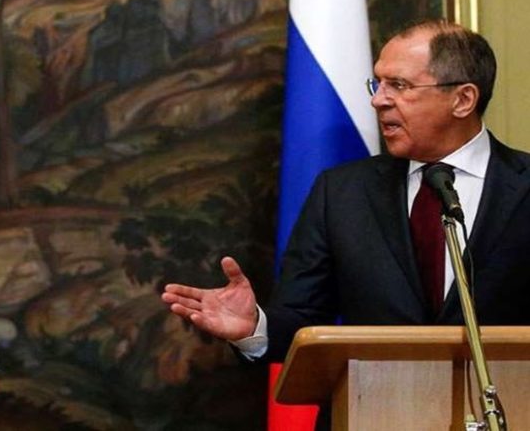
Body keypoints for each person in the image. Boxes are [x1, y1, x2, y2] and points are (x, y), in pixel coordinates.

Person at [162, 19, 530, 366]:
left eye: (399, 85)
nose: (378, 100)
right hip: (371, 401)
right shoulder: (341, 193)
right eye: (377, 84)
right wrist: (254, 329)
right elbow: (301, 318)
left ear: (463, 99)